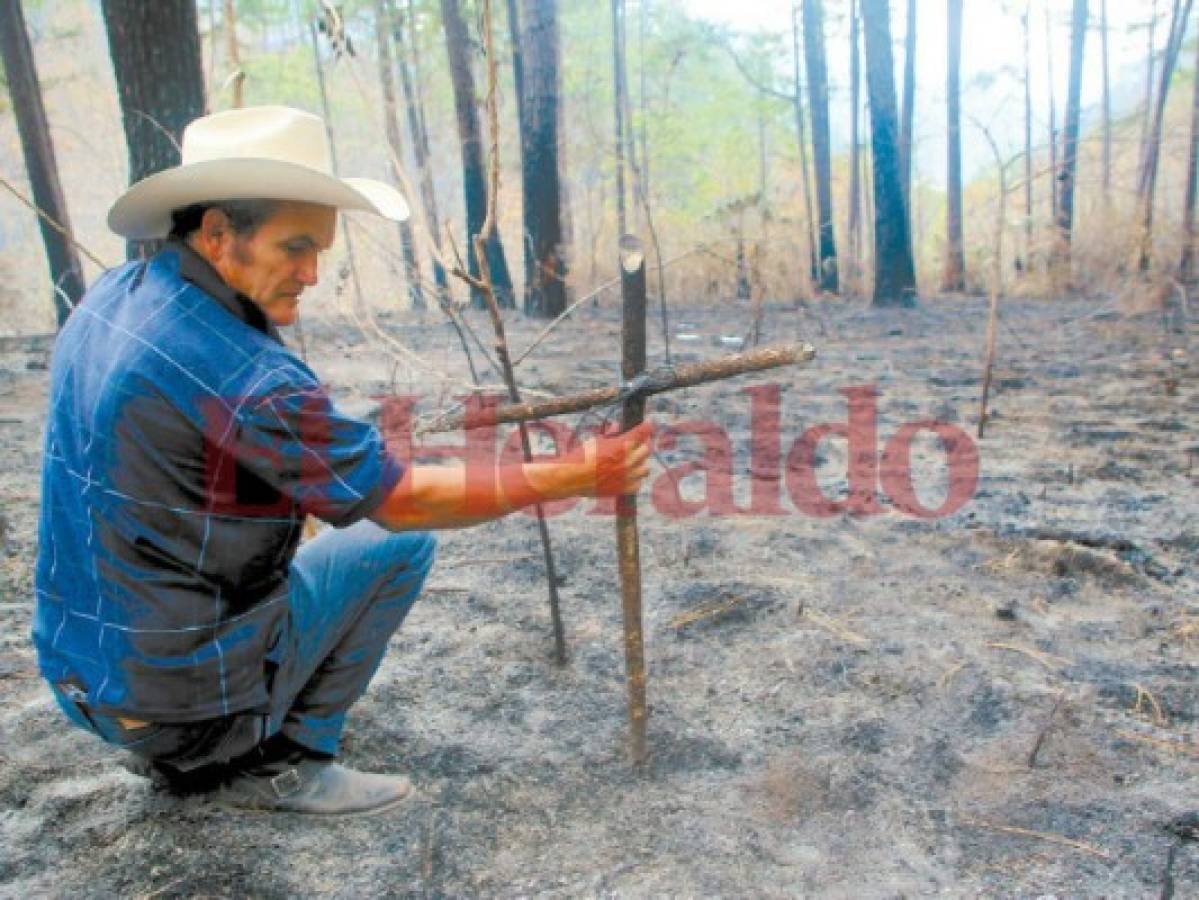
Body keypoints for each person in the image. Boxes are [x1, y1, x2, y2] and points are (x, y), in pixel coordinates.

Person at [33, 106, 651, 816]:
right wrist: (572, 475)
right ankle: (280, 762)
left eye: (320, 250)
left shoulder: (114, 296)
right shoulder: (248, 375)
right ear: (216, 233)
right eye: (295, 248)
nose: (312, 274)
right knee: (399, 542)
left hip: (80, 675)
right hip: (169, 703)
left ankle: (194, 733)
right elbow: (404, 500)